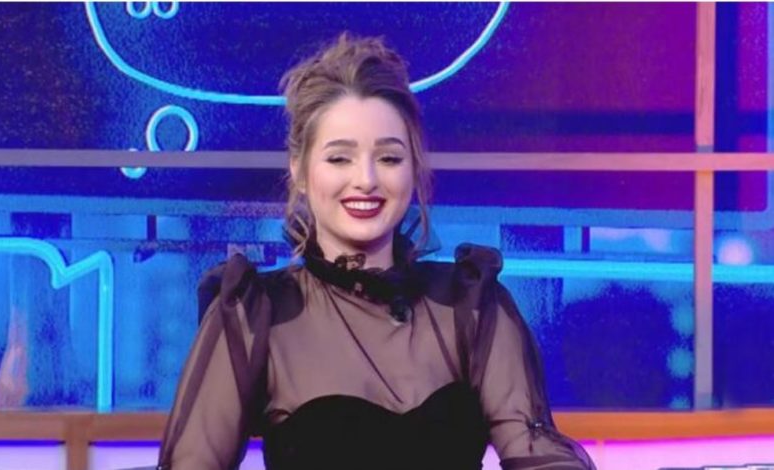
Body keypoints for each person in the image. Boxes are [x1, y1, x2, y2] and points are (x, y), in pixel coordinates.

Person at [157, 33, 596, 470]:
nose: (366, 180)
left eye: (388, 158)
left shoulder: (473, 306)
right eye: (340, 159)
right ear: (301, 171)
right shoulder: (256, 316)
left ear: (414, 168)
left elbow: (537, 452)